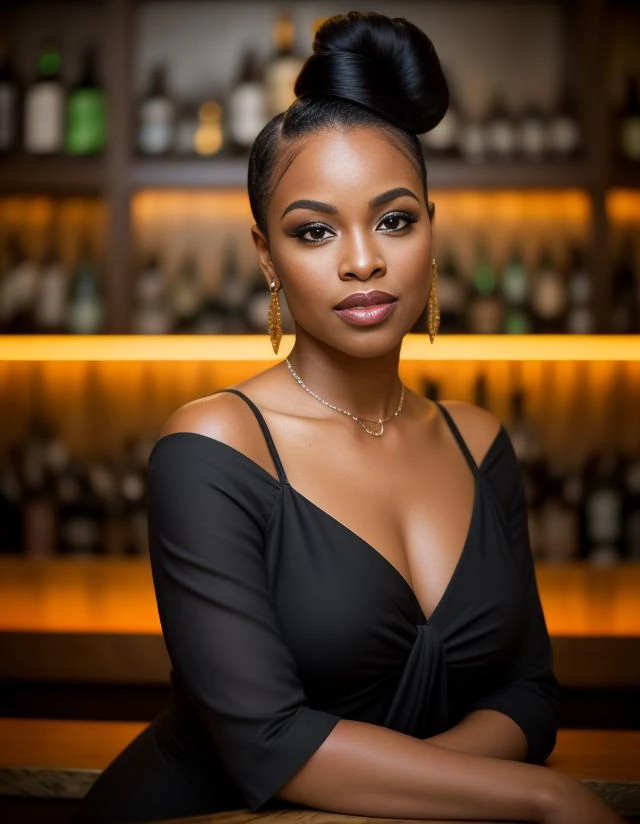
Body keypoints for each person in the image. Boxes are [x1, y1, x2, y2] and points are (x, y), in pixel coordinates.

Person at [74, 12, 624, 824]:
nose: (362, 258)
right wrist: (538, 796)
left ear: (432, 231)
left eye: (395, 219)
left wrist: (399, 797)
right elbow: (265, 738)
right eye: (315, 230)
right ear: (266, 254)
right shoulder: (213, 446)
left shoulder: (479, 442)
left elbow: (530, 692)